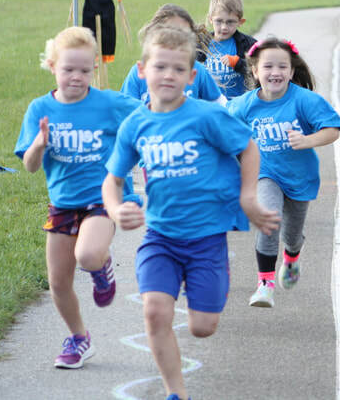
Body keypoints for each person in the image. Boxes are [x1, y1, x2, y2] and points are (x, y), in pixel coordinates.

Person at [102, 25, 279, 400]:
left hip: (206, 239)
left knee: (203, 327)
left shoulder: (205, 116)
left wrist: (248, 197)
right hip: (160, 238)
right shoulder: (135, 124)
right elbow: (112, 180)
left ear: (192, 76)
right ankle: (176, 393)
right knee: (155, 312)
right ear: (142, 70)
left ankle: (200, 283)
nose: (168, 75)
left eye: (178, 69)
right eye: (160, 67)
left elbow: (248, 147)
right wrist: (116, 209)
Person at [14, 27, 141, 368]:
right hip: (62, 204)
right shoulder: (40, 109)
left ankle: (101, 267)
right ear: (52, 66)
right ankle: (79, 338)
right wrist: (39, 145)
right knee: (58, 282)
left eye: (85, 70)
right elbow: (30, 166)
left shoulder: (108, 103)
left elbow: (147, 114)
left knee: (87, 254)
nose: (77, 77)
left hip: (102, 199)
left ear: (94, 68)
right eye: (68, 69)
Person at [228, 38, 340, 308]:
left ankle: (292, 256)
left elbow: (332, 130)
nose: (275, 72)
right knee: (270, 219)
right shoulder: (244, 105)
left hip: (300, 178)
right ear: (255, 71)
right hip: (265, 173)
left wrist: (307, 140)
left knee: (291, 235)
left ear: (291, 72)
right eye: (268, 66)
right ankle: (265, 285)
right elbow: (222, 129)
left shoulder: (304, 100)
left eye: (282, 67)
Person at [121, 4, 226, 106]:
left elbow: (221, 105)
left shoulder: (197, 70)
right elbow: (125, 109)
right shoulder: (139, 72)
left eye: (183, 34)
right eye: (160, 67)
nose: (175, 37)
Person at [198, 0, 257, 100]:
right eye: (219, 21)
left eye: (230, 22)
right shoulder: (200, 45)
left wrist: (238, 63)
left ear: (240, 22)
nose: (224, 27)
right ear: (210, 19)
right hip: (210, 103)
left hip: (238, 103)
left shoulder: (248, 44)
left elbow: (259, 70)